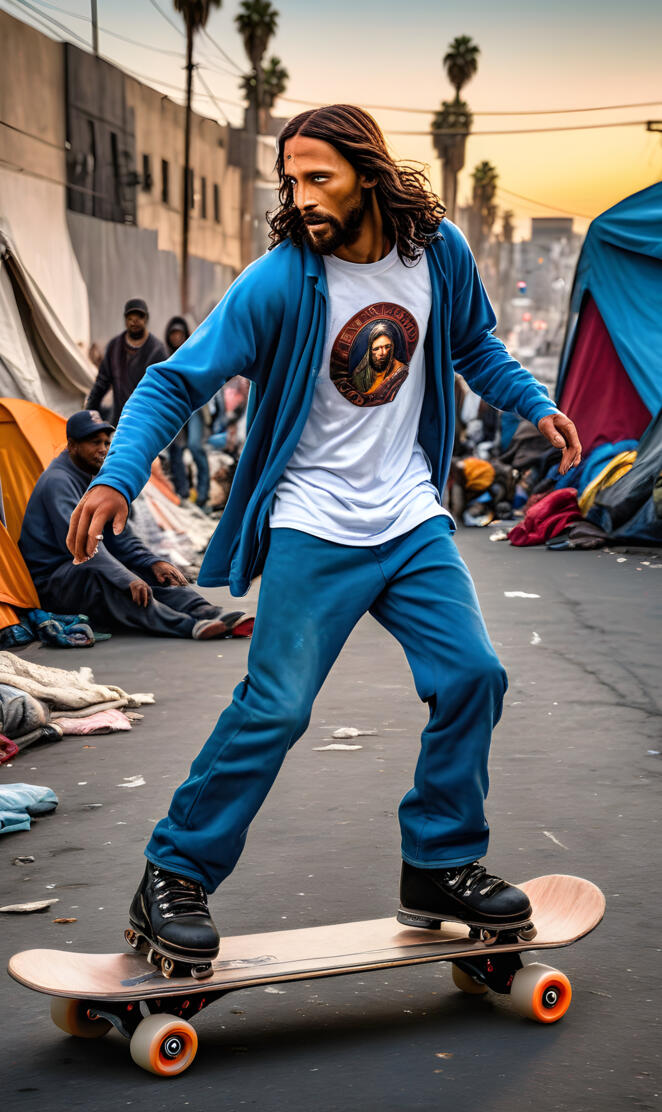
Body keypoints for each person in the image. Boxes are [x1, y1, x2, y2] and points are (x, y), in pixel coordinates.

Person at [67, 105, 582, 973]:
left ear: (367, 171)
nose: (301, 197)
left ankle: (440, 863)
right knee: (276, 707)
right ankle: (174, 874)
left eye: (319, 178)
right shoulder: (279, 280)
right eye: (291, 180)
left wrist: (532, 400)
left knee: (473, 675)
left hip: (409, 514)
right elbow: (172, 382)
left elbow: (473, 346)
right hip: (314, 518)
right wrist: (118, 476)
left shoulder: (439, 253)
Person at [20, 410, 247, 640]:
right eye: (94, 442)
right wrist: (126, 578)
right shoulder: (58, 482)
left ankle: (206, 611)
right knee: (109, 578)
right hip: (55, 583)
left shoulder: (95, 478)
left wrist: (153, 562)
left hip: (84, 568)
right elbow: (83, 546)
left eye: (107, 442)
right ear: (72, 445)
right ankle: (186, 625)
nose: (103, 449)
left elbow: (121, 537)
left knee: (148, 572)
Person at [86, 299, 167, 425]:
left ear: (146, 319)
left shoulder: (156, 350)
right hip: (120, 419)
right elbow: (101, 383)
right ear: (125, 320)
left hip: (147, 421)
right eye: (130, 317)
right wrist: (89, 412)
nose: (134, 321)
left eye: (139, 317)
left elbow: (162, 389)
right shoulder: (114, 347)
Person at [165, 317, 210, 508]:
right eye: (173, 334)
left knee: (195, 446)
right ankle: (182, 492)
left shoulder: (195, 353)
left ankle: (203, 492)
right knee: (175, 449)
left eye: (180, 334)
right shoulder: (166, 357)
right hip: (177, 408)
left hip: (196, 407)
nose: (177, 338)